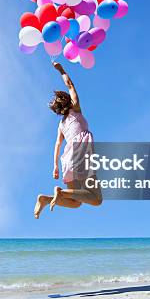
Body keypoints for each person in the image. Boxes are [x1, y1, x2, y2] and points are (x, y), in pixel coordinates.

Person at [34, 61, 103, 219]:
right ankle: (60, 192)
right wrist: (61, 69)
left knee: (75, 202)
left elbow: (58, 144)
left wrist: (55, 166)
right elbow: (70, 85)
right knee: (97, 199)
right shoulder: (75, 109)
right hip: (81, 151)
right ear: (68, 102)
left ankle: (45, 199)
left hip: (67, 159)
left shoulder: (61, 125)